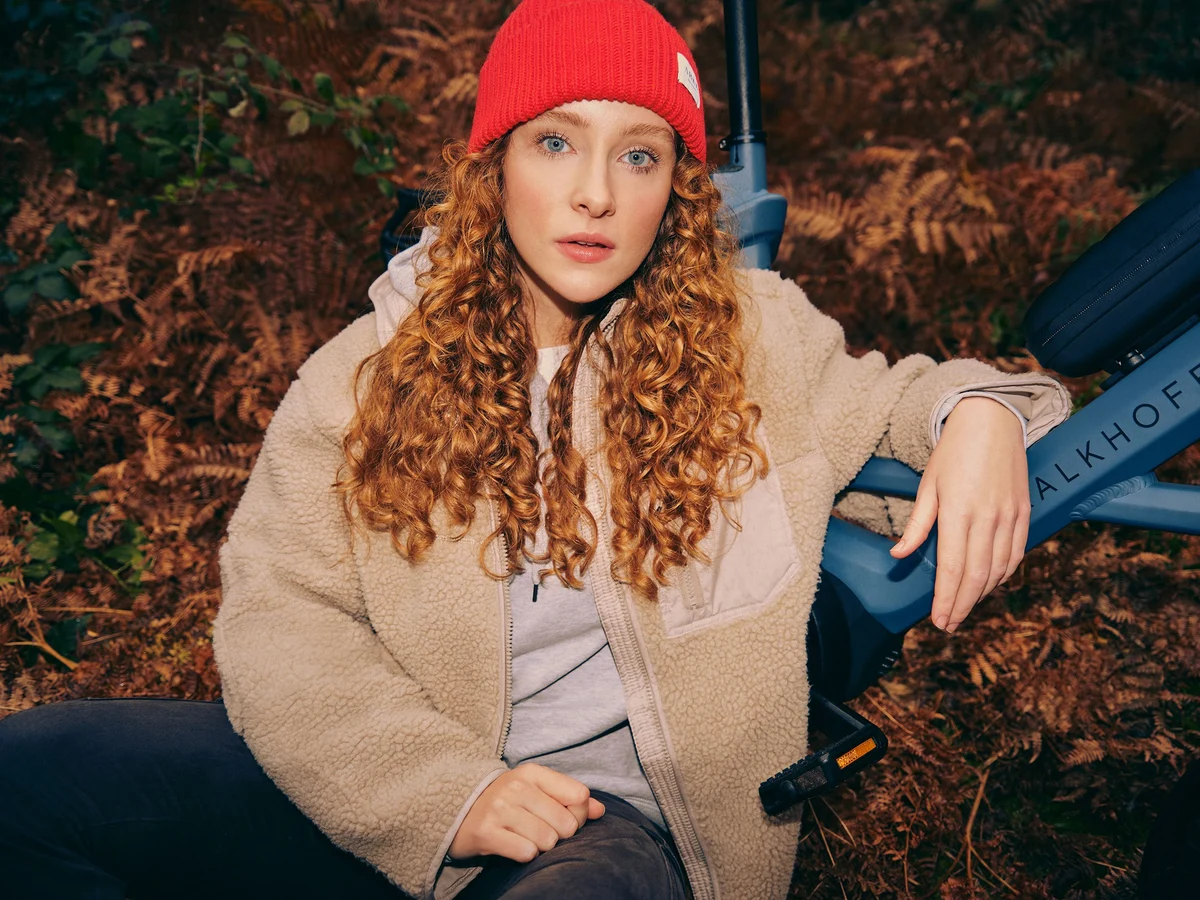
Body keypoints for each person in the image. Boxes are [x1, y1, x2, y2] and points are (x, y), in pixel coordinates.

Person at [0, 1, 1072, 898]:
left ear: (676, 194)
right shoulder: (363, 378)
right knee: (36, 776)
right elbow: (283, 623)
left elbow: (901, 401)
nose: (596, 192)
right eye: (556, 141)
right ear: (494, 166)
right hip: (400, 785)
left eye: (638, 155)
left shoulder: (751, 344)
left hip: (612, 838)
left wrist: (976, 415)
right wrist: (447, 794)